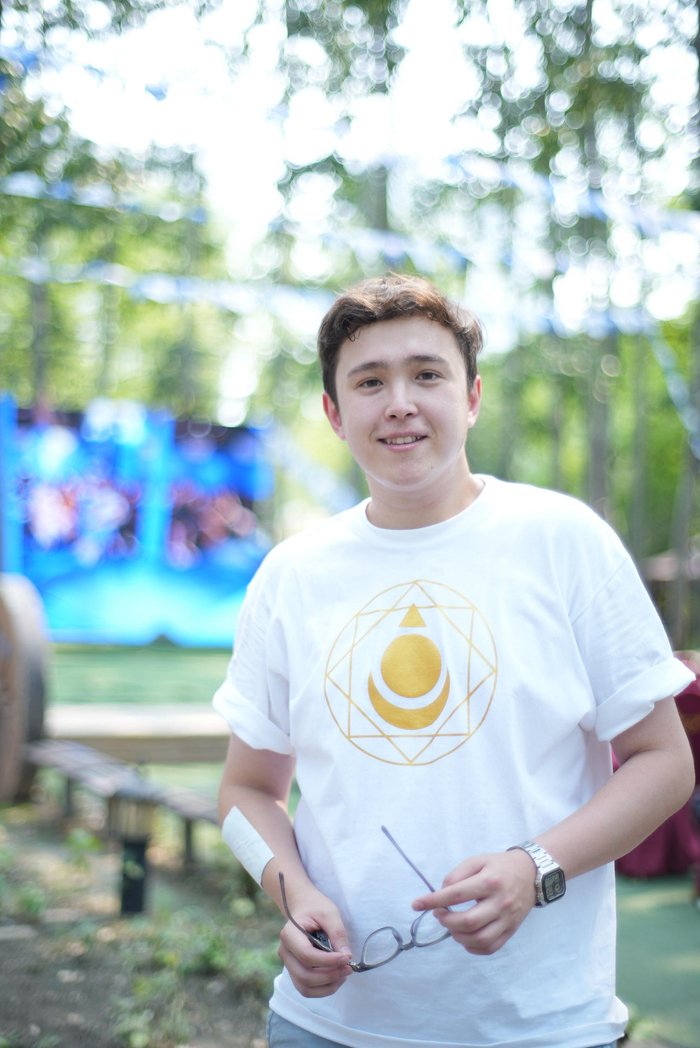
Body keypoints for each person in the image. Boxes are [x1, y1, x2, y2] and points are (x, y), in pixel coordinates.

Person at [214, 274, 696, 1048]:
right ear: (335, 413)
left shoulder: (565, 542)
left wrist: (535, 867)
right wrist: (292, 891)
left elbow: (665, 764)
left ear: (471, 397)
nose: (400, 402)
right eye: (370, 382)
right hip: (325, 1027)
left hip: (543, 1028)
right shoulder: (291, 576)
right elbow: (245, 791)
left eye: (426, 374)